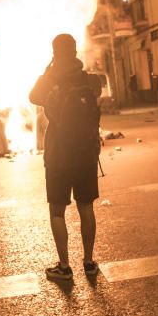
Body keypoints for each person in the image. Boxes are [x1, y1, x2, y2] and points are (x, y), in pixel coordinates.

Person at [29, 34, 103, 281]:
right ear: (74, 51)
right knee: (86, 207)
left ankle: (64, 266)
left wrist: (49, 69)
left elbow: (32, 96)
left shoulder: (50, 81)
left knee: (58, 211)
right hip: (85, 153)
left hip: (59, 154)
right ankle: (89, 261)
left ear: (55, 52)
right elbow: (98, 92)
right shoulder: (89, 81)